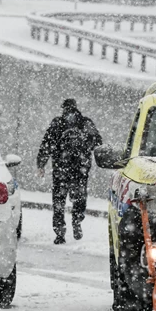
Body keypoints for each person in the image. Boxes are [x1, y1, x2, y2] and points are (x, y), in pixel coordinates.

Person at [37, 99, 102, 244]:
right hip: (80, 170)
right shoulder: (86, 123)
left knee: (59, 201)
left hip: (61, 170)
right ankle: (77, 221)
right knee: (79, 199)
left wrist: (41, 164)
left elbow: (46, 144)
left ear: (64, 109)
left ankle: (60, 233)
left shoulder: (57, 124)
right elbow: (98, 143)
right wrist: (86, 149)